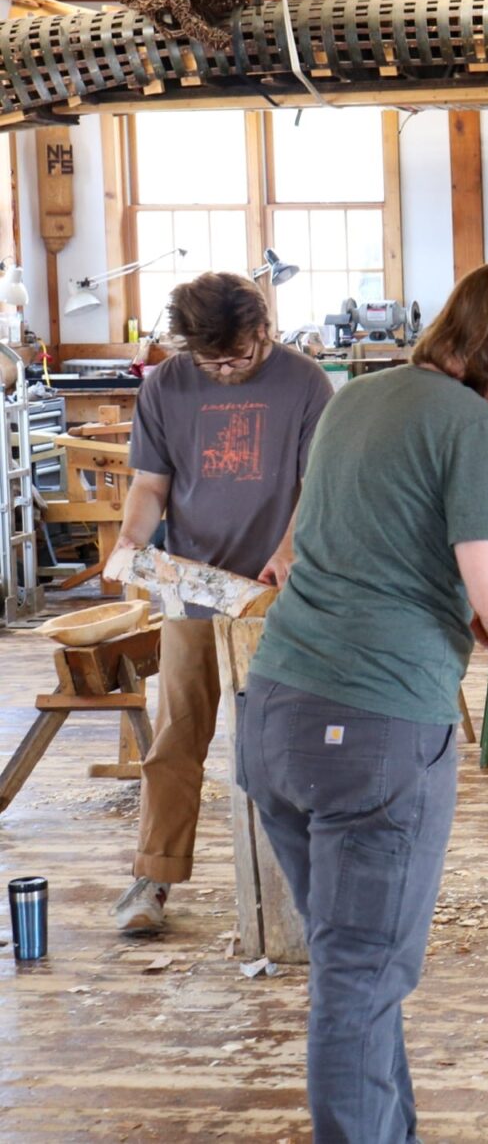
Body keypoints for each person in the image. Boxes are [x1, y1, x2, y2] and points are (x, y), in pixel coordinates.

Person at [235, 260, 488, 1143]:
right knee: (360, 983)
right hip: (373, 729)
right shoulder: (470, 424)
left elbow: (340, 551)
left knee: (353, 972)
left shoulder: (357, 398)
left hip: (277, 715)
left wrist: (462, 610)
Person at [110, 273, 332, 934]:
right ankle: (152, 877)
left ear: (263, 330)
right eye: (212, 362)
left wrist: (289, 550)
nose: (227, 370)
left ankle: (304, 889)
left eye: (239, 356)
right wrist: (131, 539)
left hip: (277, 597)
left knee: (286, 741)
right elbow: (151, 485)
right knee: (177, 735)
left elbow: (317, 485)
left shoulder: (305, 383)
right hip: (194, 587)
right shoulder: (166, 386)